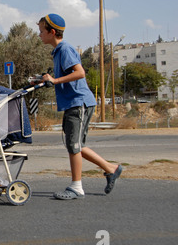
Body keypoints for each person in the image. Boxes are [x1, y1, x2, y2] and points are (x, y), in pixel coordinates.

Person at [38, 13, 123, 200]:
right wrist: (47, 80)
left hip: (79, 102)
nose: (39, 35)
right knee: (76, 145)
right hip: (73, 103)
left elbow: (80, 73)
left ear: (52, 32)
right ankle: (111, 168)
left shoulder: (65, 49)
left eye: (41, 31)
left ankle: (77, 187)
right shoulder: (58, 51)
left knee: (74, 145)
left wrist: (55, 80)